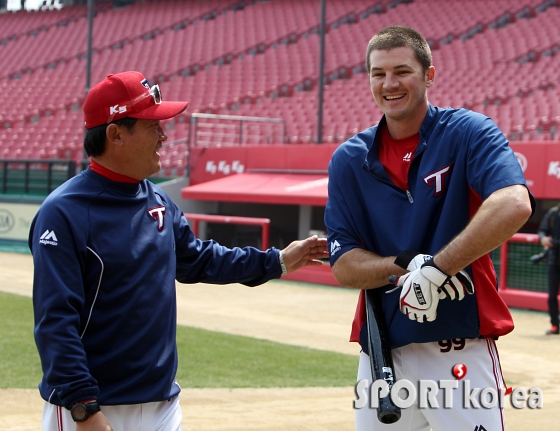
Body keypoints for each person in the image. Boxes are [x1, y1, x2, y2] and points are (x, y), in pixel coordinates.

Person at [29, 71, 329, 431]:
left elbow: (199, 259)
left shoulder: (156, 199)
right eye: (152, 124)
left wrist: (276, 261)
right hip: (96, 407)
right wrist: (83, 408)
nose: (164, 135)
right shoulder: (62, 212)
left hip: (163, 404)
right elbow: (55, 322)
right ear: (116, 134)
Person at [324, 25, 534, 431]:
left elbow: (514, 202)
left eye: (402, 71)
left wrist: (437, 270)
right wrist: (409, 264)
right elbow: (344, 266)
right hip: (381, 349)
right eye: (378, 73)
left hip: (458, 343)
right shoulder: (347, 159)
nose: (389, 84)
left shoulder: (469, 130)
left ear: (429, 76)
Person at [537, 204, 560, 335]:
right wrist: (543, 238)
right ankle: (555, 325)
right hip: (553, 260)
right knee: (552, 295)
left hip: (554, 251)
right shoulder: (554, 212)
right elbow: (542, 231)